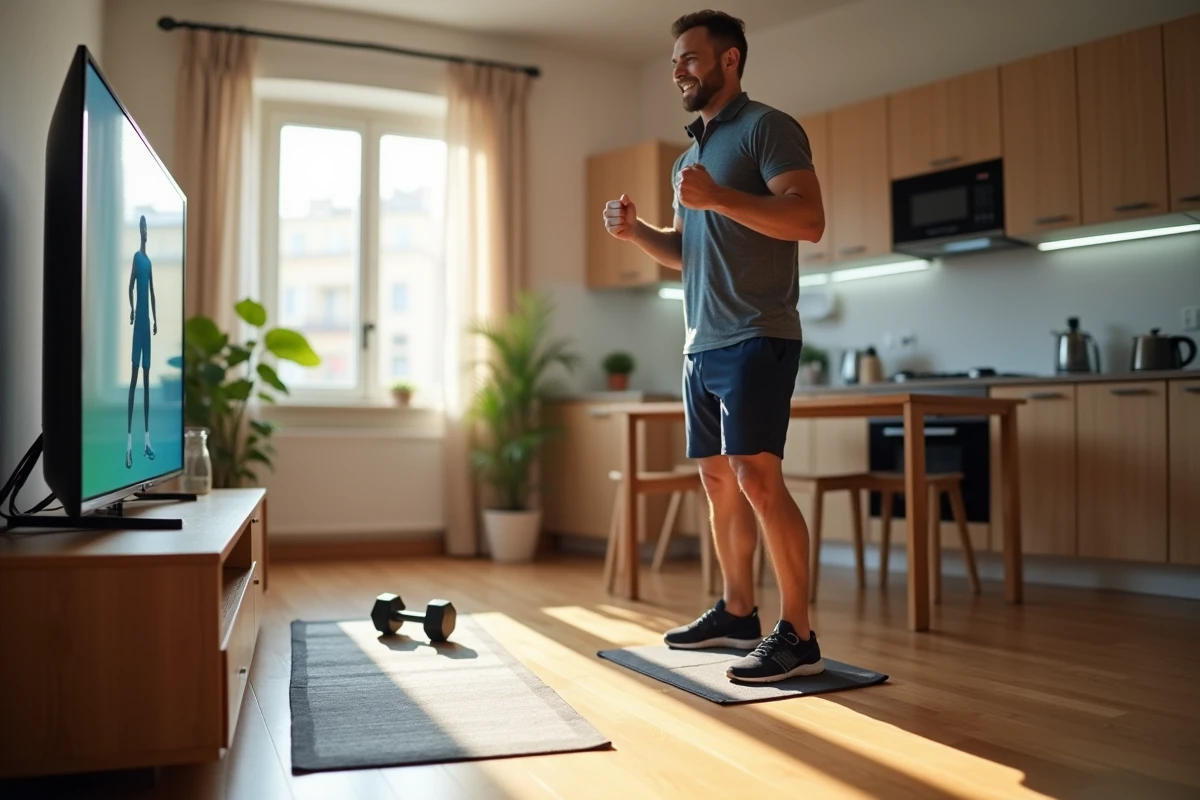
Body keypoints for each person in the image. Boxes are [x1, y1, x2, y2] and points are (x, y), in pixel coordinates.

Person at [602, 10, 826, 683]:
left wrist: (721, 197)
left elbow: (808, 219)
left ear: (729, 61)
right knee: (718, 479)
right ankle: (737, 612)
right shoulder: (688, 158)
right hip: (701, 342)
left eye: (690, 58)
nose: (678, 71)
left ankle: (799, 633)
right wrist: (640, 231)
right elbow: (688, 250)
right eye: (674, 60)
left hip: (758, 332)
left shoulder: (768, 128)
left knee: (757, 476)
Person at [127, 214, 158, 469]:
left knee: (146, 383)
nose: (145, 231)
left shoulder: (148, 261)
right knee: (134, 381)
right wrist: (131, 308)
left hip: (147, 327)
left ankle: (146, 440)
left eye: (147, 227)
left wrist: (156, 319)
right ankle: (128, 443)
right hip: (138, 325)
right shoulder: (137, 259)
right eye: (143, 227)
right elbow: (130, 287)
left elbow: (153, 293)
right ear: (139, 231)